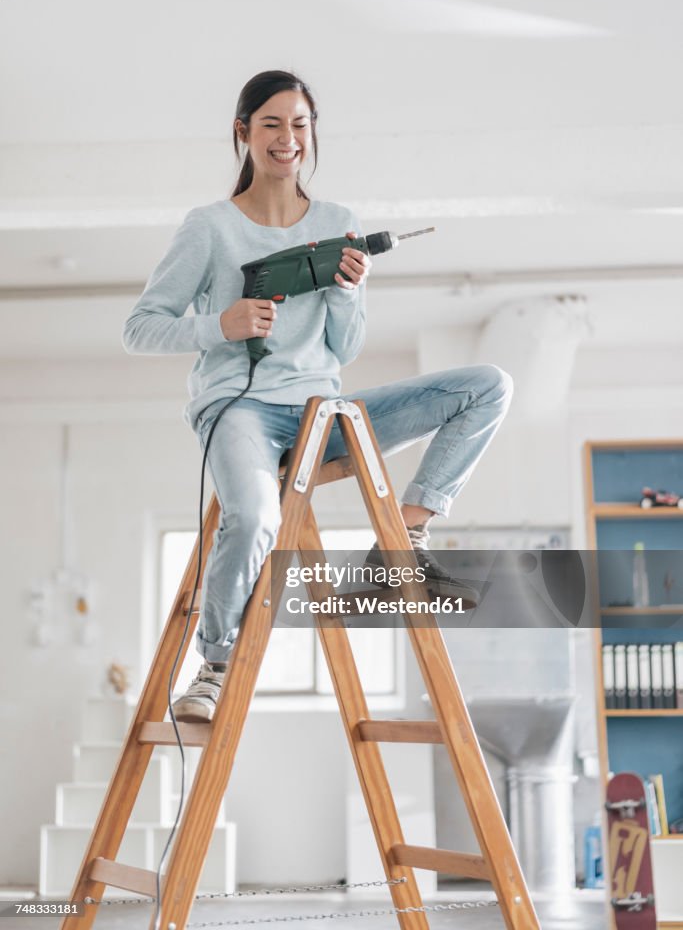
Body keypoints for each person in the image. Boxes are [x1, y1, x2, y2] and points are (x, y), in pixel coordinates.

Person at [123, 69, 513, 722]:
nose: (287, 138)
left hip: (322, 414)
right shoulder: (210, 227)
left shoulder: (337, 222)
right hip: (238, 409)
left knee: (485, 387)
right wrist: (219, 324)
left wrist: (345, 288)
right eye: (272, 123)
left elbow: (343, 348)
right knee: (252, 516)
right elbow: (140, 328)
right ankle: (214, 666)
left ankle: (407, 538)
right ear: (242, 132)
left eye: (299, 124)